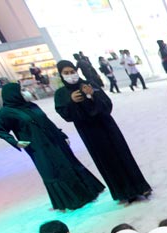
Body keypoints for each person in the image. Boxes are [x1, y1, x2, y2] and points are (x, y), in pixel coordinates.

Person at [0, 83, 105, 211]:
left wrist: (61, 134)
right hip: (38, 147)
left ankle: (87, 194)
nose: (24, 93)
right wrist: (15, 142)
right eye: (21, 91)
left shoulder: (31, 105)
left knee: (69, 164)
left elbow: (47, 122)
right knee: (53, 171)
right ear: (13, 94)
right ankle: (70, 201)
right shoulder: (6, 113)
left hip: (55, 140)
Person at [55, 60, 152, 204]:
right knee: (107, 161)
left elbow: (108, 105)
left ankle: (140, 186)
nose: (71, 75)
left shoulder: (89, 84)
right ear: (61, 75)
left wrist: (93, 95)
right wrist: (71, 102)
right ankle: (124, 192)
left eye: (72, 71)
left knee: (122, 154)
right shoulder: (61, 94)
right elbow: (66, 116)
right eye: (66, 73)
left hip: (107, 126)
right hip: (90, 133)